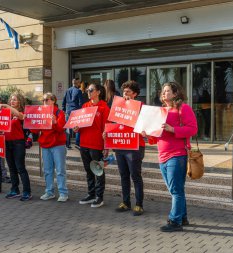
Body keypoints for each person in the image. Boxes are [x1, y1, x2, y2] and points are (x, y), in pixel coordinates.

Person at [142, 81, 197, 232]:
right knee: (176, 189)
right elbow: (156, 136)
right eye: (163, 91)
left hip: (177, 154)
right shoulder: (160, 111)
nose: (164, 93)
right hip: (162, 155)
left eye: (167, 91)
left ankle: (175, 221)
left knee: (175, 190)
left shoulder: (183, 108)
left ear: (175, 93)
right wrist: (147, 135)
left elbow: (193, 129)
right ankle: (183, 217)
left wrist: (173, 129)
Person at [104, 81, 146, 215]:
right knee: (123, 175)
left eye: (128, 92)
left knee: (135, 175)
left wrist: (131, 105)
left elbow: (144, 122)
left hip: (135, 146)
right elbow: (112, 123)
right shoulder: (117, 106)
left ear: (135, 94)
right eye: (124, 92)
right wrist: (107, 132)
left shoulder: (140, 106)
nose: (125, 94)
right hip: (120, 145)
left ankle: (139, 204)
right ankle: (126, 202)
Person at [73, 83, 110, 208]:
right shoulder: (85, 106)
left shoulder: (104, 107)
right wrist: (76, 128)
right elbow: (79, 124)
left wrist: (106, 147)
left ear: (98, 92)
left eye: (91, 90)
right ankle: (91, 194)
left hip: (97, 144)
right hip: (84, 143)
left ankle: (99, 197)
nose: (88, 92)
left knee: (98, 171)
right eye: (87, 90)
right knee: (88, 170)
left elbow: (107, 128)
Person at [31, 92, 68, 202]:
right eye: (43, 100)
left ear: (53, 101)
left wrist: (55, 122)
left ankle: (63, 193)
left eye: (46, 100)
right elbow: (35, 130)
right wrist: (30, 122)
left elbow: (62, 129)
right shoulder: (41, 113)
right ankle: (49, 191)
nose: (44, 102)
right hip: (45, 144)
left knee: (60, 170)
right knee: (47, 170)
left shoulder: (59, 112)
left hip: (58, 145)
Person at [0, 92, 32, 201]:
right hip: (7, 143)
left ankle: (27, 192)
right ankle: (15, 189)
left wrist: (6, 106)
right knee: (11, 168)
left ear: (19, 102)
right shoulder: (6, 114)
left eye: (15, 99)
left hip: (18, 143)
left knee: (20, 168)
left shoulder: (22, 112)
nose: (12, 101)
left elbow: (21, 116)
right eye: (11, 100)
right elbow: (2, 128)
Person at [62, 77, 83, 149]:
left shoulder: (67, 90)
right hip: (76, 111)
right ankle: (77, 143)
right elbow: (81, 103)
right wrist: (81, 111)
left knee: (68, 128)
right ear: (77, 83)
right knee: (78, 127)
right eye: (79, 82)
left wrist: (64, 109)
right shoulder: (79, 91)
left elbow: (64, 101)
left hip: (68, 111)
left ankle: (67, 144)